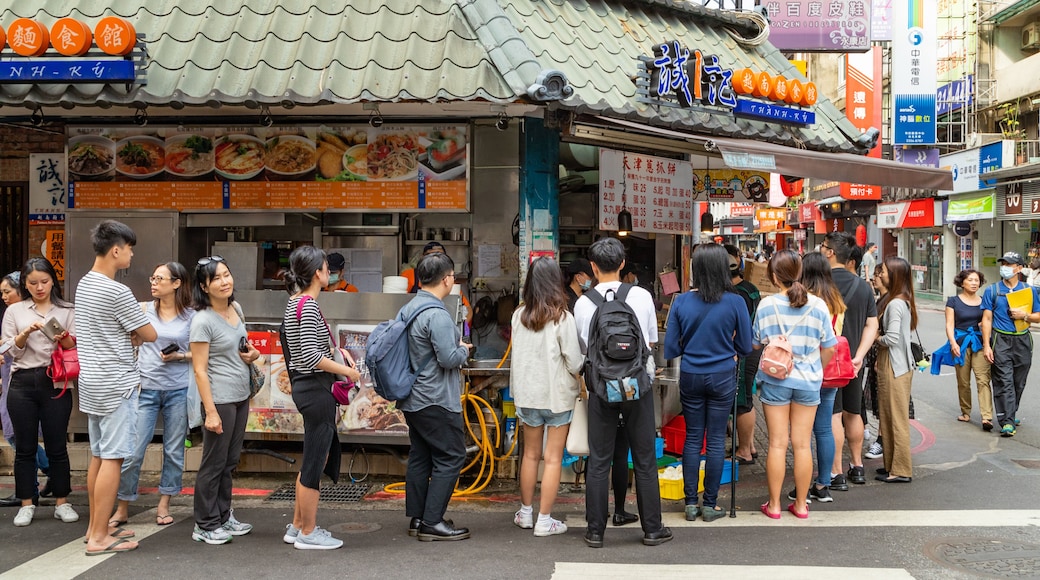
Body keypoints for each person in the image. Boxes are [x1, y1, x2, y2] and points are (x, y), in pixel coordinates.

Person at [574, 237, 671, 548]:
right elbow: (651, 343)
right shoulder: (641, 296)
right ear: (622, 264)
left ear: (592, 267)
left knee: (600, 459)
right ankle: (653, 529)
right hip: (636, 385)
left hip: (601, 387)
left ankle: (594, 531)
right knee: (644, 458)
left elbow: (583, 349)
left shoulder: (583, 302)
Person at [76, 220, 157, 555]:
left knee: (98, 455)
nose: (132, 254)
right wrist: (134, 332)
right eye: (130, 248)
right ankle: (98, 538)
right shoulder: (116, 290)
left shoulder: (84, 284)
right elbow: (149, 333)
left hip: (92, 381)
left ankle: (93, 529)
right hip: (117, 382)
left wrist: (129, 332)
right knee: (113, 458)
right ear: (116, 250)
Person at [664, 244, 752, 522]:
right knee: (715, 440)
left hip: (690, 375)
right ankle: (710, 504)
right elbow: (746, 346)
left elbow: (670, 349)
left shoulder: (680, 302)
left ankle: (690, 503)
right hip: (723, 375)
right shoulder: (736, 301)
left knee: (693, 438)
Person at [281, 246, 362, 550]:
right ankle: (308, 533)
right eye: (327, 268)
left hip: (306, 388)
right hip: (316, 389)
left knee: (315, 456)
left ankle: (299, 525)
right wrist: (348, 372)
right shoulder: (309, 306)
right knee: (315, 460)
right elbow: (313, 356)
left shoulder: (294, 303)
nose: (331, 272)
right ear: (317, 273)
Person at [753, 250, 836, 519]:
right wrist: (815, 369)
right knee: (802, 444)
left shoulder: (766, 306)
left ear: (774, 277)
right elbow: (830, 347)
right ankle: (801, 505)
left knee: (777, 443)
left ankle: (775, 505)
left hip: (775, 379)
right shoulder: (819, 305)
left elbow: (755, 343)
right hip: (808, 382)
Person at [112, 262, 194, 529]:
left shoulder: (191, 316)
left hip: (178, 389)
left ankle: (164, 504)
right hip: (145, 387)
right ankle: (123, 505)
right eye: (153, 277)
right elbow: (129, 339)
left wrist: (179, 356)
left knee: (173, 450)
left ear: (177, 283)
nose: (154, 282)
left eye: (160, 278)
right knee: (134, 450)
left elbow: (203, 351)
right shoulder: (143, 309)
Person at [400, 252, 474, 541]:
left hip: (413, 398)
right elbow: (448, 359)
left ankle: (418, 518)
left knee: (421, 456)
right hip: (436, 398)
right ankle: (432, 522)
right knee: (451, 456)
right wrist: (464, 349)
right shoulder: (438, 314)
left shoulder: (410, 308)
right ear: (447, 279)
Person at [0, 259, 79, 528]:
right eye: (32, 283)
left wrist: (62, 336)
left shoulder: (67, 309)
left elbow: (72, 348)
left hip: (55, 381)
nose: (39, 287)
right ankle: (26, 503)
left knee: (58, 445)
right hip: (22, 381)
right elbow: (11, 351)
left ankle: (62, 501)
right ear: (25, 283)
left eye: (44, 281)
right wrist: (24, 333)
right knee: (25, 448)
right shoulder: (15, 311)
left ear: (52, 281)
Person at [510, 257, 584, 537]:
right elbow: (575, 363)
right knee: (552, 458)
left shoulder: (519, 316)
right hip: (557, 397)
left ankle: (526, 513)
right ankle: (544, 521)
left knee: (530, 455)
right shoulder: (563, 318)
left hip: (528, 396)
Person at [190, 255, 261, 544]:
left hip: (240, 395)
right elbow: (199, 369)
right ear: (204, 287)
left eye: (227, 275)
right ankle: (205, 524)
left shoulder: (236, 309)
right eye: (216, 278)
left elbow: (243, 348)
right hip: (218, 399)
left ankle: (222, 515)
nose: (224, 281)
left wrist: (253, 355)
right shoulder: (202, 321)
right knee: (213, 462)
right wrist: (210, 411)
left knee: (230, 461)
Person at [821, 232, 878, 490]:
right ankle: (857, 466)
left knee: (833, 416)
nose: (821, 250)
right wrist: (859, 356)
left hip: (827, 362)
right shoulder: (863, 286)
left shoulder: (819, 284)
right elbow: (872, 325)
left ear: (831, 252)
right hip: (853, 364)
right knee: (853, 413)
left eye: (823, 247)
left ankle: (836, 472)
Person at [793, 252, 847, 505]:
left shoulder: (804, 299)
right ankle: (823, 484)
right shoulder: (836, 300)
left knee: (801, 435)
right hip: (831, 372)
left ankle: (801, 486)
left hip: (806, 371)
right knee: (824, 429)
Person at [0, 271, 50, 508]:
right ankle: (49, 476)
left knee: (16, 436)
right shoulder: (11, 315)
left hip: (25, 381)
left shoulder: (33, 315)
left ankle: (38, 482)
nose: (4, 296)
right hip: (11, 380)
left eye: (7, 291)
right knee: (16, 435)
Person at [981, 251, 1040, 437]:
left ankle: (1010, 412)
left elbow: (1038, 316)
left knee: (1018, 381)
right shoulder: (992, 290)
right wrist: (987, 345)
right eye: (1003, 263)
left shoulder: (1029, 290)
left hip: (1023, 339)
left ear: (1019, 268)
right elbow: (987, 319)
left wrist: (1025, 316)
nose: (1005, 267)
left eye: (1009, 264)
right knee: (1003, 380)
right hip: (1000, 339)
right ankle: (1006, 422)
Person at [874, 257, 919, 483]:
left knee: (896, 418)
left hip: (895, 364)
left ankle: (900, 469)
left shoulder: (895, 304)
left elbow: (891, 338)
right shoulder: (901, 301)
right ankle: (891, 464)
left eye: (882, 271)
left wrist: (876, 337)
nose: (879, 275)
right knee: (888, 415)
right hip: (894, 363)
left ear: (894, 275)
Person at [937, 269, 992, 431]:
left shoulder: (984, 301)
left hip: (979, 343)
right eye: (970, 280)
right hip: (960, 344)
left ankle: (986, 416)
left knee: (983, 379)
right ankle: (966, 411)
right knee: (963, 381)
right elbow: (949, 324)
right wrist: (953, 343)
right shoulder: (953, 301)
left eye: (977, 280)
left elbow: (987, 322)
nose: (974, 283)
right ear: (962, 283)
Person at [724, 244, 761, 465]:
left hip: (743, 352)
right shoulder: (751, 287)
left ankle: (745, 451)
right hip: (751, 349)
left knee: (743, 401)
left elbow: (736, 328)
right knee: (746, 399)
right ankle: (751, 446)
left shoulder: (739, 294)